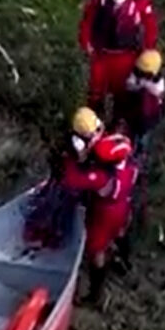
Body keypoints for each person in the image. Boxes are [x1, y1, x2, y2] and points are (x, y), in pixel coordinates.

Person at [58, 108, 139, 304]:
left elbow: (71, 180)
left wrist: (72, 159)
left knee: (96, 250)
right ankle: (126, 263)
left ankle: (96, 294)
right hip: (124, 202)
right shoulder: (116, 146)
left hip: (105, 212)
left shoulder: (100, 175)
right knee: (120, 232)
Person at [78, 0, 159, 114]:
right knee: (96, 90)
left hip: (126, 55)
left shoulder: (139, 4)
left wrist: (148, 49)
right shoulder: (100, 0)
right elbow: (87, 19)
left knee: (121, 91)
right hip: (101, 52)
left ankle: (119, 122)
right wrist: (86, 41)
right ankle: (92, 119)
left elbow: (150, 26)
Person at [116, 49, 165, 144]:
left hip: (147, 117)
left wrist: (142, 86)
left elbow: (155, 99)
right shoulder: (137, 75)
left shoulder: (157, 86)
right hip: (134, 107)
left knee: (141, 137)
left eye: (144, 73)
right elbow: (129, 85)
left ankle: (139, 146)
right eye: (139, 71)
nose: (140, 74)